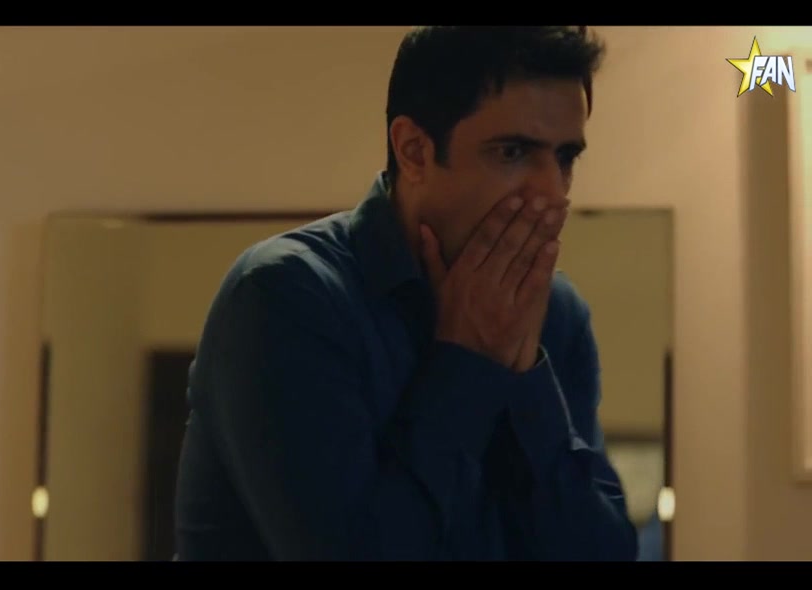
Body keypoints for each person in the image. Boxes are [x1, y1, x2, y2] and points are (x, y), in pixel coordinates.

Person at [172, 26, 638, 561]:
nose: (553, 193)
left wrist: (528, 379)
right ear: (414, 150)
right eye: (512, 152)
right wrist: (467, 359)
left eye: (565, 158)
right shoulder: (285, 295)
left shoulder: (556, 315)